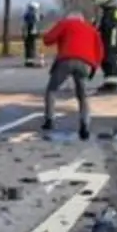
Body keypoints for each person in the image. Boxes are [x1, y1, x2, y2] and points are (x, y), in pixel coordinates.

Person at [40, 11, 104, 140]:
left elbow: (48, 40)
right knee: (82, 96)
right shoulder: (91, 29)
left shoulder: (65, 24)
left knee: (51, 90)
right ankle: (84, 124)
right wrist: (94, 67)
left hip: (66, 60)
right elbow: (100, 50)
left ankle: (50, 120)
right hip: (85, 63)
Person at [93, 0, 117, 91]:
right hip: (109, 40)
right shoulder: (110, 12)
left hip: (109, 40)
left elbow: (109, 28)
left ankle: (111, 84)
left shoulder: (110, 13)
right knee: (106, 60)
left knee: (109, 60)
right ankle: (109, 82)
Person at [21, 2, 42, 67]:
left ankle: (29, 60)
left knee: (29, 46)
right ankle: (30, 61)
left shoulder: (28, 14)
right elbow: (33, 23)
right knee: (30, 46)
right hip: (30, 32)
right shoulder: (31, 14)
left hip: (29, 32)